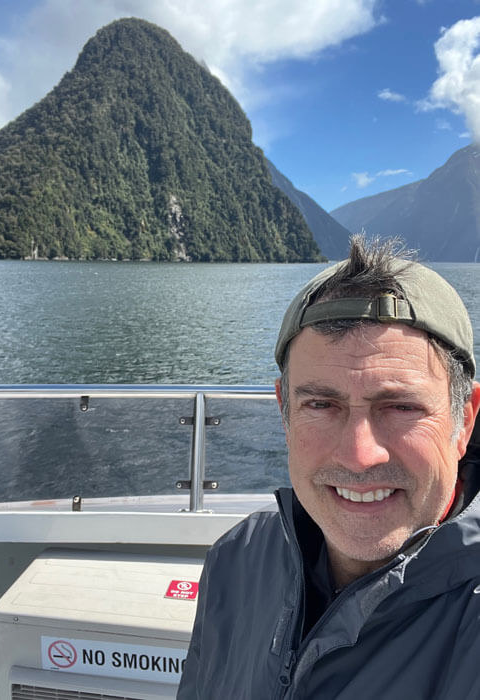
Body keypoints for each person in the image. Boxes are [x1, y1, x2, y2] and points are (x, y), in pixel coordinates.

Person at [177, 235, 480, 700]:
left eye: (400, 407)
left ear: (465, 419)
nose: (359, 454)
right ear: (285, 411)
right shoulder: (238, 558)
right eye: (321, 404)